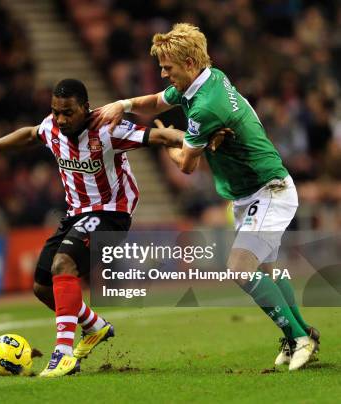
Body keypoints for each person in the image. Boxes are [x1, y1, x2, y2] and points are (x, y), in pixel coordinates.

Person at [0, 78, 227, 377]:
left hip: (111, 213)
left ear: (85, 108)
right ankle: (94, 326)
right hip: (76, 214)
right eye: (56, 111)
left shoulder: (108, 128)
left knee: (63, 265)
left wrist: (201, 139)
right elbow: (31, 134)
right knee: (42, 288)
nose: (61, 119)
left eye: (68, 112)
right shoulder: (52, 127)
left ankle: (64, 353)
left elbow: (160, 137)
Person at [92, 23, 319, 371]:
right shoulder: (207, 79)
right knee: (270, 272)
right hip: (249, 192)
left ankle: (298, 338)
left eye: (168, 67)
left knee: (240, 269)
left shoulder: (205, 107)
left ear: (189, 62)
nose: (163, 73)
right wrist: (123, 104)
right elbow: (155, 101)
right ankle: (303, 335)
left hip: (268, 189)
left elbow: (185, 165)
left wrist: (167, 137)